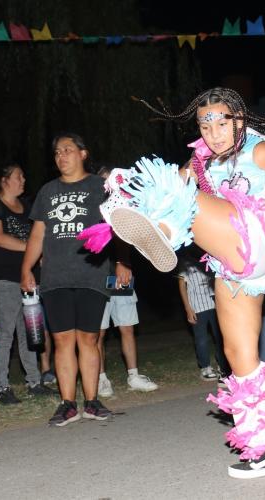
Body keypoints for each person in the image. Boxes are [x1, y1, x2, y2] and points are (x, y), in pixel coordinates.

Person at [84, 87, 265, 478]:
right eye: (205, 124)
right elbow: (180, 177)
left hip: (252, 235)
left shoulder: (260, 149)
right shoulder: (203, 158)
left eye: (223, 121)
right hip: (231, 261)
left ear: (240, 120)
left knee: (174, 189)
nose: (214, 131)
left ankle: (165, 230)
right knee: (239, 355)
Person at [21, 133, 130, 427]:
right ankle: (68, 403)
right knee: (61, 340)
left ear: (83, 153)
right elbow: (38, 234)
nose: (61, 156)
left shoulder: (100, 186)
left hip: (91, 272)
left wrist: (122, 261)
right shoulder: (47, 191)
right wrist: (26, 268)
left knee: (89, 339)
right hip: (55, 276)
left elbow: (119, 224)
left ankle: (92, 402)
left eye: (68, 150)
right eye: (57, 152)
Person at [0, 163, 53, 404]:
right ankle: (2, 386)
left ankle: (33, 381)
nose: (23, 180)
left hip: (29, 277)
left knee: (30, 331)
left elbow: (38, 233)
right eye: (18, 176)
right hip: (4, 278)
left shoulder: (28, 207)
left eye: (23, 176)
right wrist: (32, 248)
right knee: (5, 333)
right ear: (4, 180)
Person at [94, 167, 158, 398]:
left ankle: (134, 376)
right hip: (96, 277)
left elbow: (126, 239)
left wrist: (124, 262)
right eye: (104, 180)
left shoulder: (124, 204)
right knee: (98, 333)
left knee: (127, 327)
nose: (108, 185)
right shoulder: (93, 205)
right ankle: (101, 379)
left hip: (120, 275)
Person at [177, 258, 228, 381]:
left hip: (216, 305)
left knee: (220, 337)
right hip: (197, 307)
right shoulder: (186, 263)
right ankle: (205, 367)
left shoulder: (209, 259)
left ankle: (223, 365)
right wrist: (188, 309)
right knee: (201, 339)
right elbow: (182, 286)